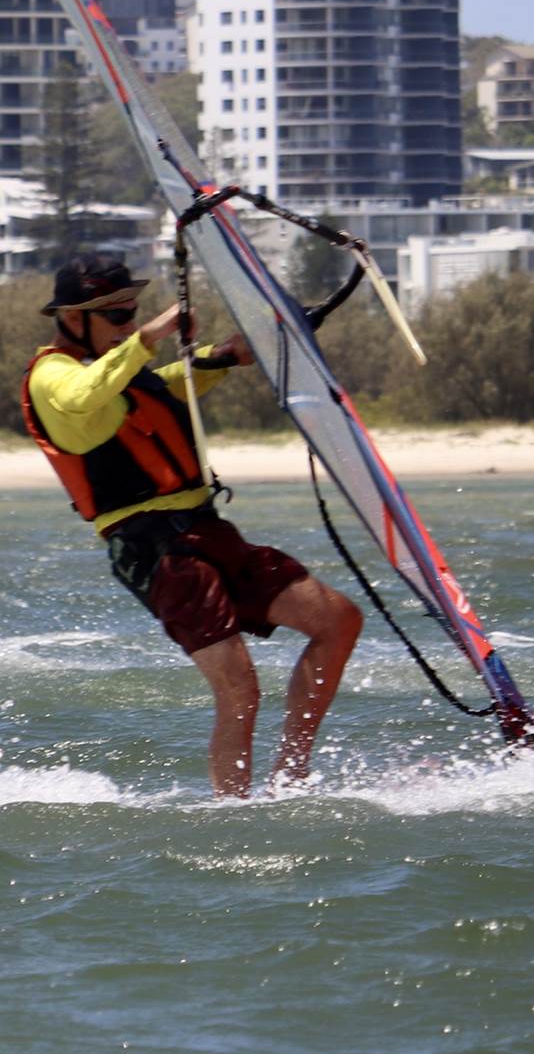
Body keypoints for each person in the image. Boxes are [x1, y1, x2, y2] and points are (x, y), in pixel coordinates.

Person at [20, 252, 364, 796]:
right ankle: (235, 812)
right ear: (72, 318)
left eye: (132, 312)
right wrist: (151, 335)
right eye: (116, 315)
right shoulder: (52, 376)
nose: (127, 323)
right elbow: (84, 396)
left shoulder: (123, 369)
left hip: (206, 530)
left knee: (338, 620)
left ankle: (290, 778)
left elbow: (172, 383)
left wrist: (227, 355)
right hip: (153, 548)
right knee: (239, 685)